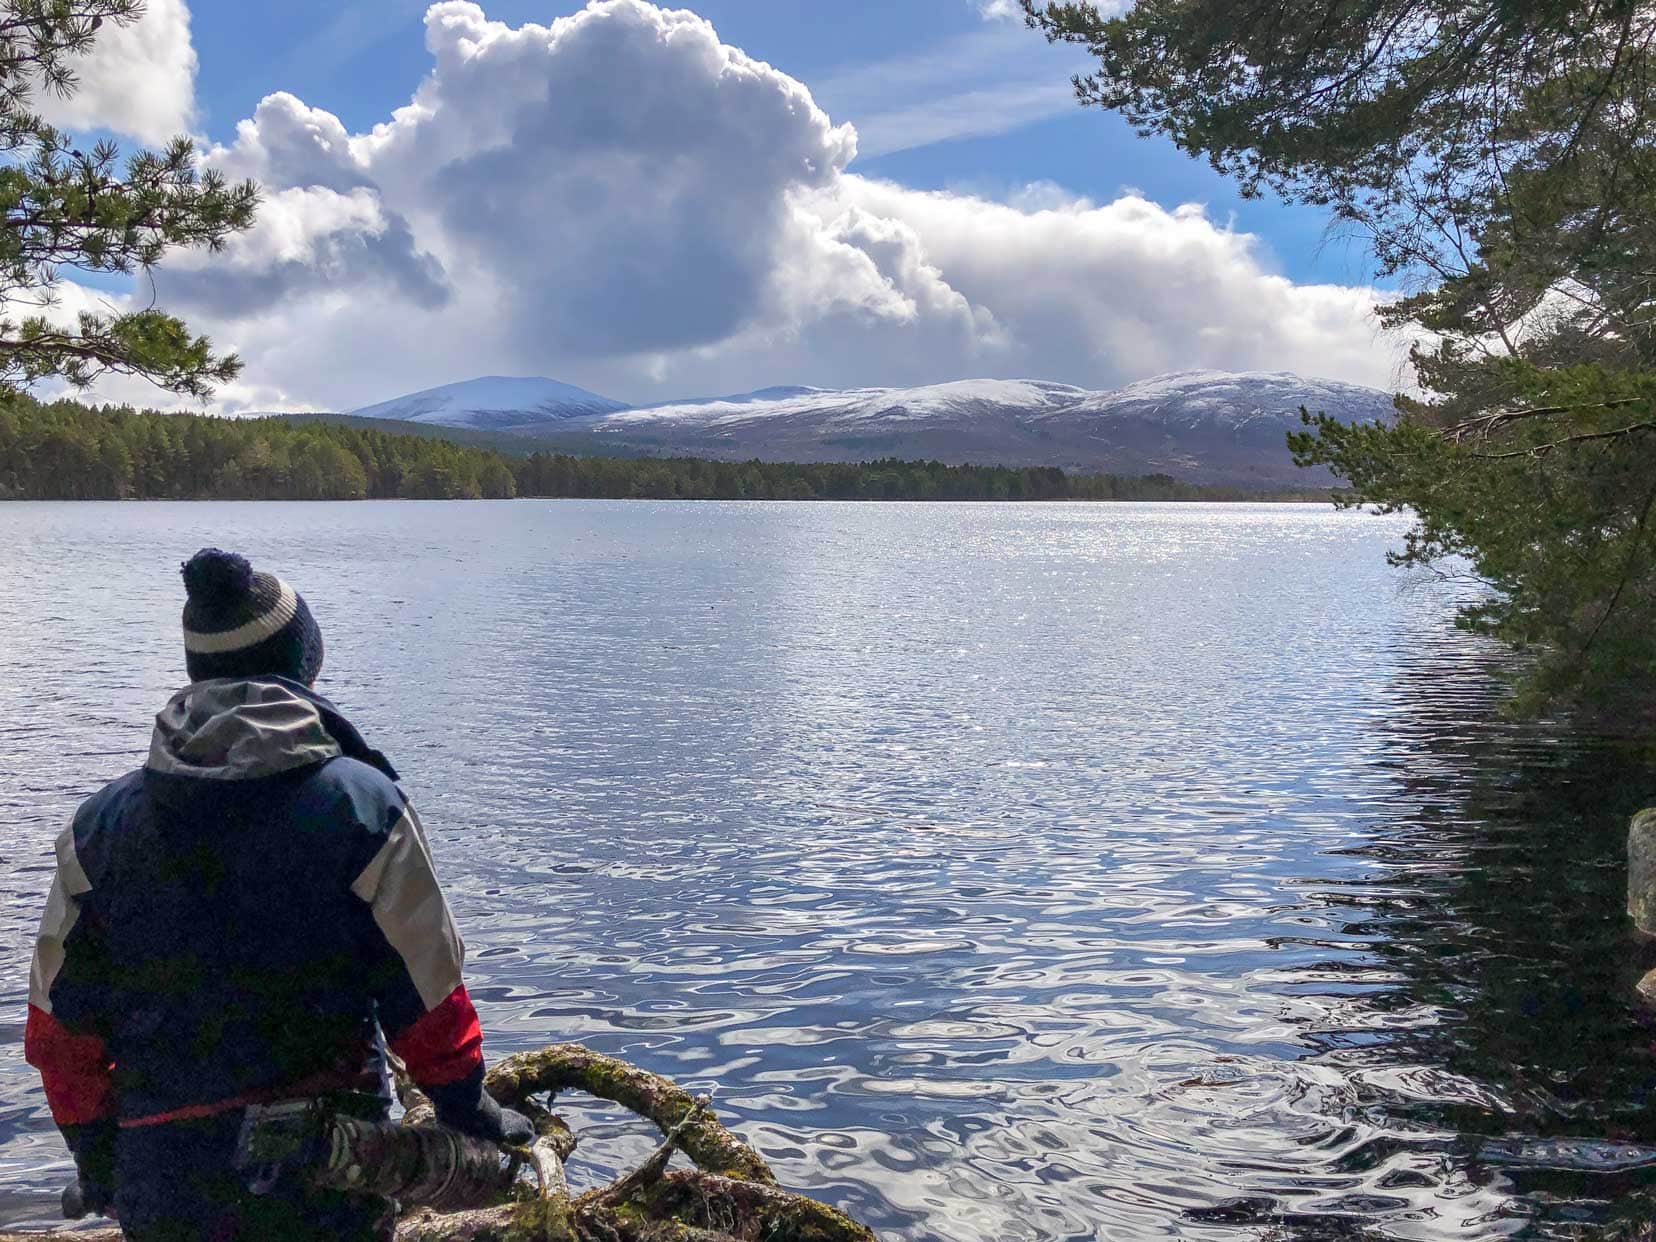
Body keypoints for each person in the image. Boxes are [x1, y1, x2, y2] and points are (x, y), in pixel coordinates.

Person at [24, 548, 531, 1240]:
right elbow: (430, 999)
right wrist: (467, 1107)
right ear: (301, 665)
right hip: (321, 1177)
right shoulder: (362, 807)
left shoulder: (98, 828)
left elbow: (59, 1032)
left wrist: (96, 1153)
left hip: (161, 1175)